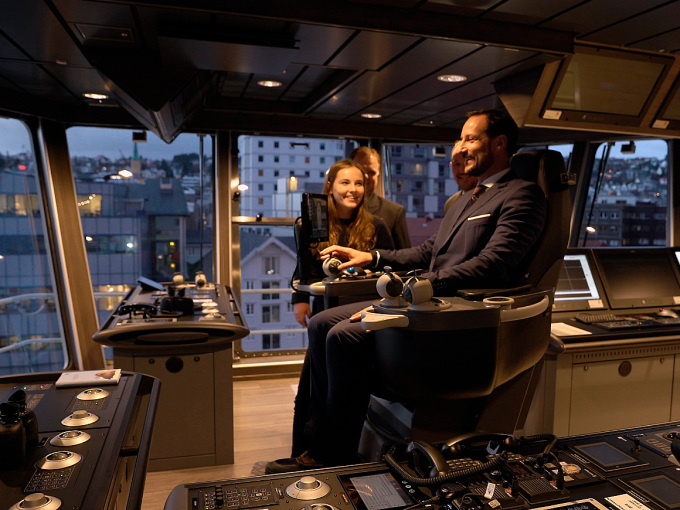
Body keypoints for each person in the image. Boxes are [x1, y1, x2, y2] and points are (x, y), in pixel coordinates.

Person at [265, 108, 548, 473]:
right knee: (320, 322)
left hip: (455, 317)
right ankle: (313, 446)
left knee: (343, 337)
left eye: (469, 139)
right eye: (460, 139)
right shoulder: (464, 200)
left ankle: (334, 458)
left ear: (500, 144)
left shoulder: (522, 195)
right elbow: (428, 252)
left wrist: (422, 286)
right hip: (430, 302)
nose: (460, 148)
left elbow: (494, 264)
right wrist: (371, 256)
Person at [289, 159, 394, 460]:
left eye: (358, 183)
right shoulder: (309, 225)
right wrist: (299, 298)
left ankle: (330, 455)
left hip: (361, 315)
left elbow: (394, 266)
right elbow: (302, 268)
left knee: (341, 391)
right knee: (309, 390)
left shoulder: (377, 225)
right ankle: (302, 453)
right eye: (345, 183)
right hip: (325, 313)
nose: (353, 189)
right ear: (330, 187)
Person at [350, 147, 411, 249]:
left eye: (372, 172)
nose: (365, 176)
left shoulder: (394, 212)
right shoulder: (334, 209)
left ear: (378, 174)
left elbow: (404, 256)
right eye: (361, 170)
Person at [444, 142, 477, 214]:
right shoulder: (450, 204)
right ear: (451, 166)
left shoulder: (493, 197)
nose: (462, 170)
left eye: (467, 163)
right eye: (457, 164)